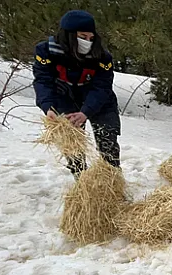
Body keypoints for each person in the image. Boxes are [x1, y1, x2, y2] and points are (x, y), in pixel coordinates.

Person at [33, 10, 120, 179]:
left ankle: (113, 181)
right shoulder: (46, 51)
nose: (87, 42)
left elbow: (102, 87)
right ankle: (81, 182)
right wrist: (48, 107)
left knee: (107, 141)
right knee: (72, 145)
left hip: (99, 101)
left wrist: (86, 112)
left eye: (91, 38)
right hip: (64, 97)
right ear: (69, 35)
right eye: (82, 36)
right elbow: (43, 81)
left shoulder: (102, 57)